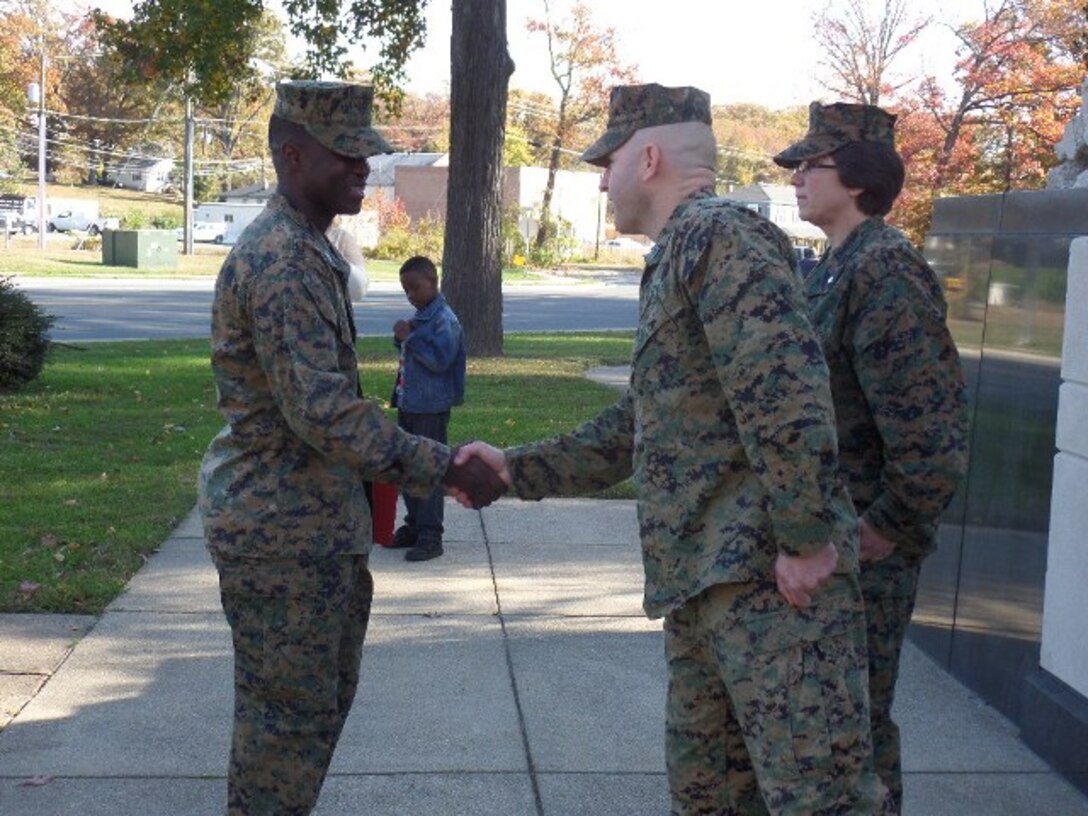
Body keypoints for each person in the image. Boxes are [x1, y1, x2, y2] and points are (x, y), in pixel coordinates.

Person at [455, 83, 887, 815]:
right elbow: (641, 423)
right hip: (703, 590)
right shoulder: (681, 254)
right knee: (709, 796)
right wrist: (516, 469)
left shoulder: (722, 237)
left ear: (648, 157)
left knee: (820, 800)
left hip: (767, 588)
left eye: (609, 160)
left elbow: (788, 396)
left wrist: (808, 538)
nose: (599, 179)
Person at [197, 80, 503, 816]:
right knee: (284, 732)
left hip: (309, 530)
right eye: (347, 154)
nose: (364, 167)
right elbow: (326, 414)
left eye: (369, 152)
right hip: (282, 537)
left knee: (312, 711)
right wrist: (444, 466)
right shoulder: (283, 262)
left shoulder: (307, 250)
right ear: (293, 156)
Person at [774, 102, 970, 815]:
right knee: (830, 727)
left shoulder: (885, 272)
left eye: (810, 164)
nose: (795, 177)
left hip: (866, 556)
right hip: (836, 544)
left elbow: (933, 436)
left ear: (856, 179)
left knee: (850, 729)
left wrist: (882, 528)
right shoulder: (839, 266)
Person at [388, 254, 467, 562]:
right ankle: (414, 524)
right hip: (410, 402)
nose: (410, 295)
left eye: (415, 288)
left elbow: (440, 360)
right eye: (405, 289)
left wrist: (411, 338)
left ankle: (431, 534)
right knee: (408, 465)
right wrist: (401, 339)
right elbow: (410, 352)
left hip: (431, 408)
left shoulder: (444, 319)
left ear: (433, 283)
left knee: (429, 468)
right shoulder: (421, 318)